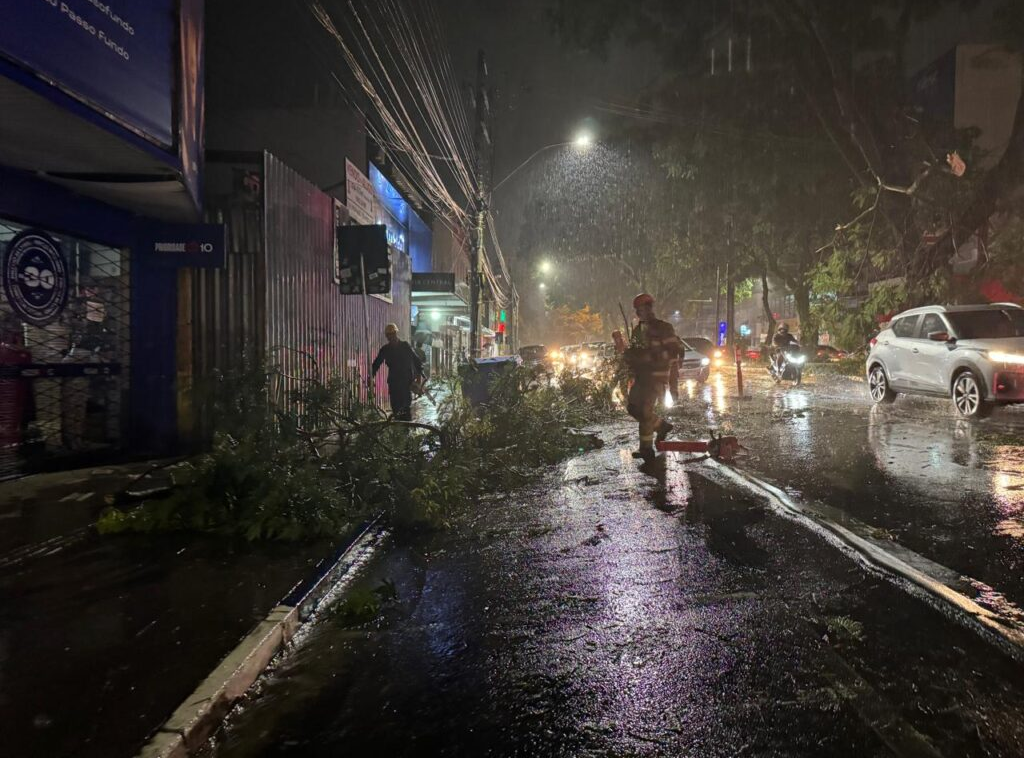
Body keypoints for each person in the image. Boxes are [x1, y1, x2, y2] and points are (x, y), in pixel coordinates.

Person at [623, 293, 683, 461]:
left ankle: (646, 449)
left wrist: (673, 386)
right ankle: (661, 426)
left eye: (642, 308)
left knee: (645, 411)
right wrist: (629, 358)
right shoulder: (637, 331)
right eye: (637, 310)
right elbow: (634, 354)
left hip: (656, 377)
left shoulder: (664, 328)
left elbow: (674, 353)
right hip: (641, 377)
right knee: (633, 409)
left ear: (650, 308)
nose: (639, 312)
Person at [371, 323, 424, 421]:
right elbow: (376, 364)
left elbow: (416, 361)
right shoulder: (385, 349)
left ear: (396, 333)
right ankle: (398, 427)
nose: (390, 337)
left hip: (405, 383)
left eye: (392, 334)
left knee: (406, 408)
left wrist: (418, 379)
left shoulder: (405, 346)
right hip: (394, 383)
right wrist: (371, 376)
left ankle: (406, 427)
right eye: (388, 335)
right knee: (396, 409)